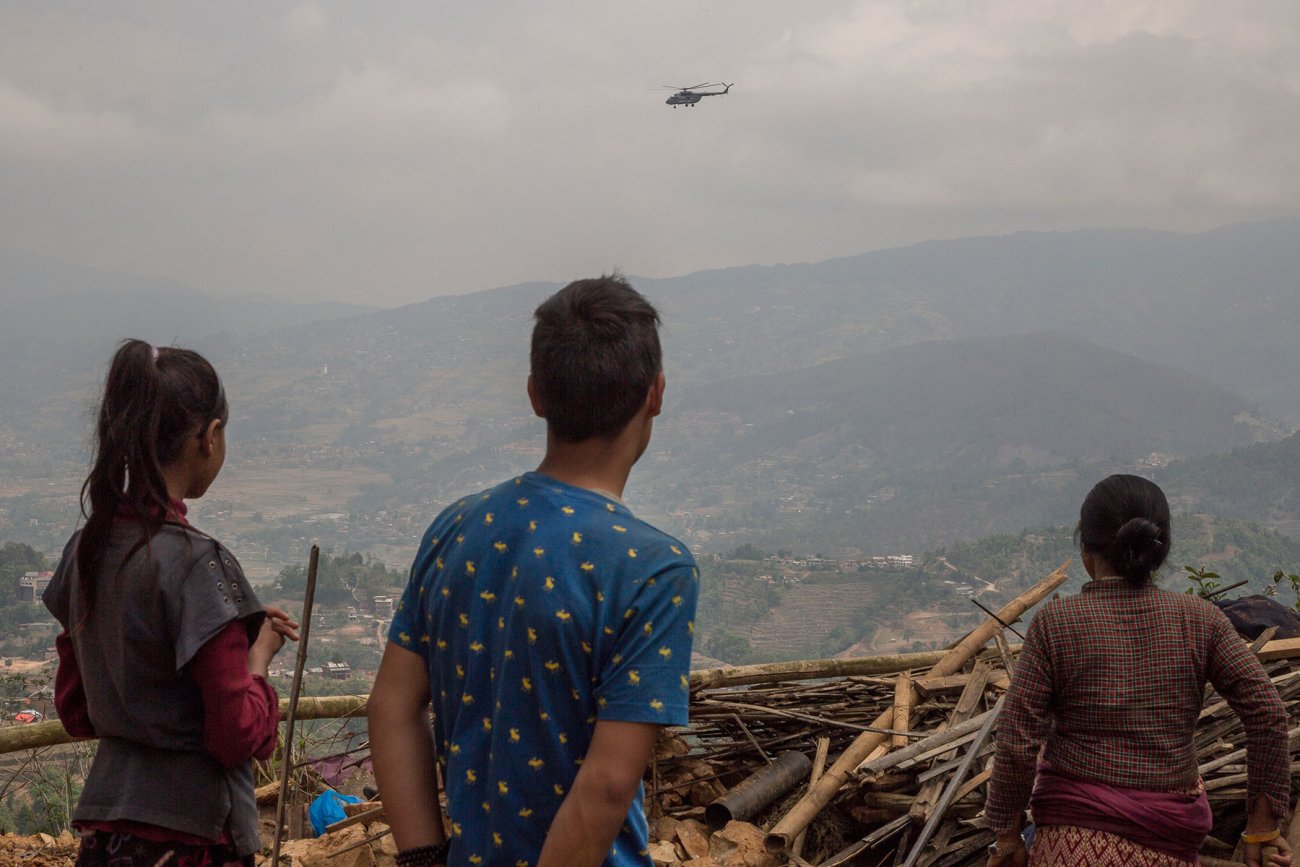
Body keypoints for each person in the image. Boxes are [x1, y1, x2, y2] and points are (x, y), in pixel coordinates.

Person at [370, 275, 699, 867]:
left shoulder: (456, 527)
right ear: (656, 393)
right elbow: (605, 786)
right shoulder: (652, 569)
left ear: (535, 395)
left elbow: (391, 707)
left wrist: (422, 857)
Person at [44, 340, 298, 867]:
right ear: (209, 437)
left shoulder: (87, 551)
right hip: (192, 842)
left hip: (107, 838)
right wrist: (258, 662)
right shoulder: (198, 565)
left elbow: (76, 710)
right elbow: (234, 736)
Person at [985, 474, 1292, 867]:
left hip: (1070, 844)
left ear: (1085, 549)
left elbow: (1016, 740)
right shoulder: (1201, 620)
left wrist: (1008, 840)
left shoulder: (1056, 623)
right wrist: (1263, 829)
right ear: (1158, 550)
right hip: (1170, 843)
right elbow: (1268, 713)